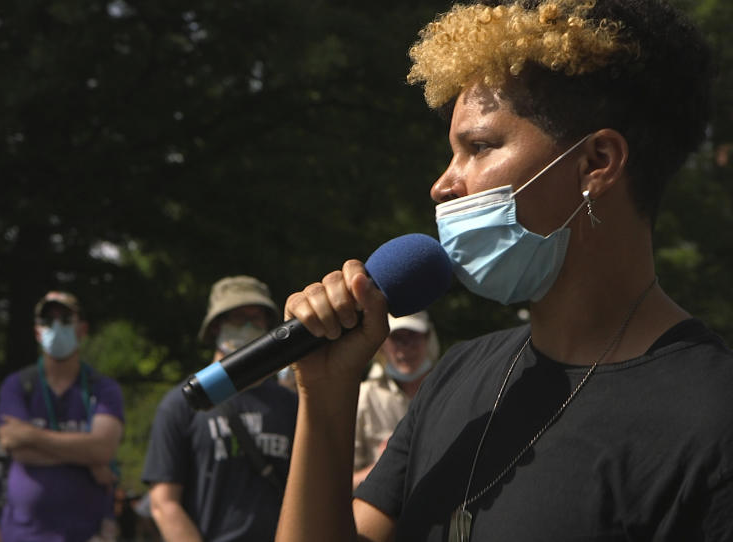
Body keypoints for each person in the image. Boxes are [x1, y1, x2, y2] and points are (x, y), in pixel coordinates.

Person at [275, 1, 733, 541]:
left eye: (478, 147)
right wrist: (326, 397)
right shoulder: (456, 376)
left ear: (596, 163)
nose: (443, 184)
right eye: (452, 153)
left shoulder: (714, 417)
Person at [142, 276, 298, 542]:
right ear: (216, 326)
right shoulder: (181, 403)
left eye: (257, 318)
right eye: (238, 318)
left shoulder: (290, 403)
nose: (249, 326)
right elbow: (164, 504)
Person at [0, 291, 124, 542]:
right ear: (36, 332)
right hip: (24, 534)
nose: (56, 327)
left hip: (87, 533)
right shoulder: (18, 384)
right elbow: (14, 446)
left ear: (82, 329)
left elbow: (103, 449)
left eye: (65, 320)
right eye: (47, 321)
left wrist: (31, 434)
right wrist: (87, 459)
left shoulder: (103, 388)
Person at [352, 311, 439, 490]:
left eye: (413, 336)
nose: (405, 347)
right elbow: (340, 483)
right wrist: (388, 464)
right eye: (397, 338)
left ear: (428, 338)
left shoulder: (447, 389)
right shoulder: (364, 397)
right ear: (382, 344)